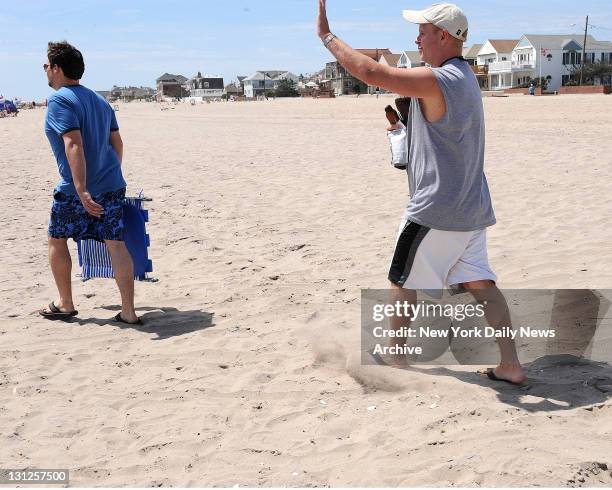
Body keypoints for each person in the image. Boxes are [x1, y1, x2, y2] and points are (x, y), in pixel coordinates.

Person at [317, 1, 526, 384]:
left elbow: (369, 71)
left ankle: (395, 359)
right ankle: (510, 364)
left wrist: (327, 37)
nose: (417, 38)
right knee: (482, 284)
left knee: (402, 279)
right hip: (472, 209)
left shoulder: (440, 79)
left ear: (444, 36)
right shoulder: (464, 78)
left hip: (435, 209)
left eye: (424, 32)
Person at [39, 41, 141, 325]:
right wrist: (109, 175)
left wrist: (83, 188)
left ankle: (66, 303)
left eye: (46, 65)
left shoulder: (60, 100)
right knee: (116, 244)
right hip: (111, 185)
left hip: (76, 190)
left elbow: (73, 144)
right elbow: (117, 143)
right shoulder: (100, 100)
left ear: (57, 69)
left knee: (57, 240)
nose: (46, 71)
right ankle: (129, 312)